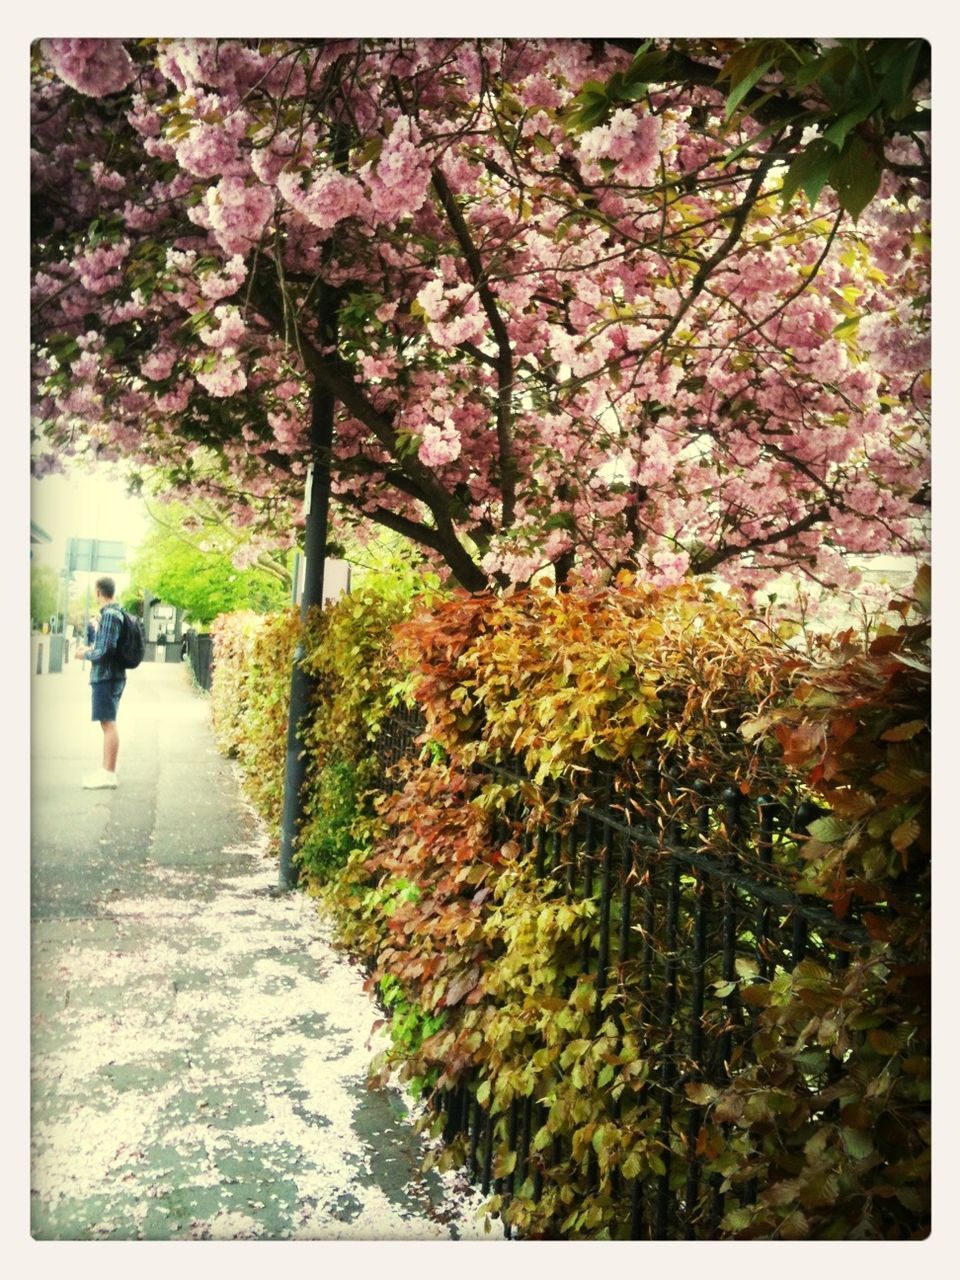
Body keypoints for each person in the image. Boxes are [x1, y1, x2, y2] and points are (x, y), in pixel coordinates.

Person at [81, 577, 126, 789]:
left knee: (108, 723)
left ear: (99, 592)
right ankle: (106, 770)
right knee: (107, 722)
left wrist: (84, 654)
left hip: (106, 676)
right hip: (113, 676)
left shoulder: (109, 615)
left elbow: (105, 650)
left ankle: (108, 773)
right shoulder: (115, 614)